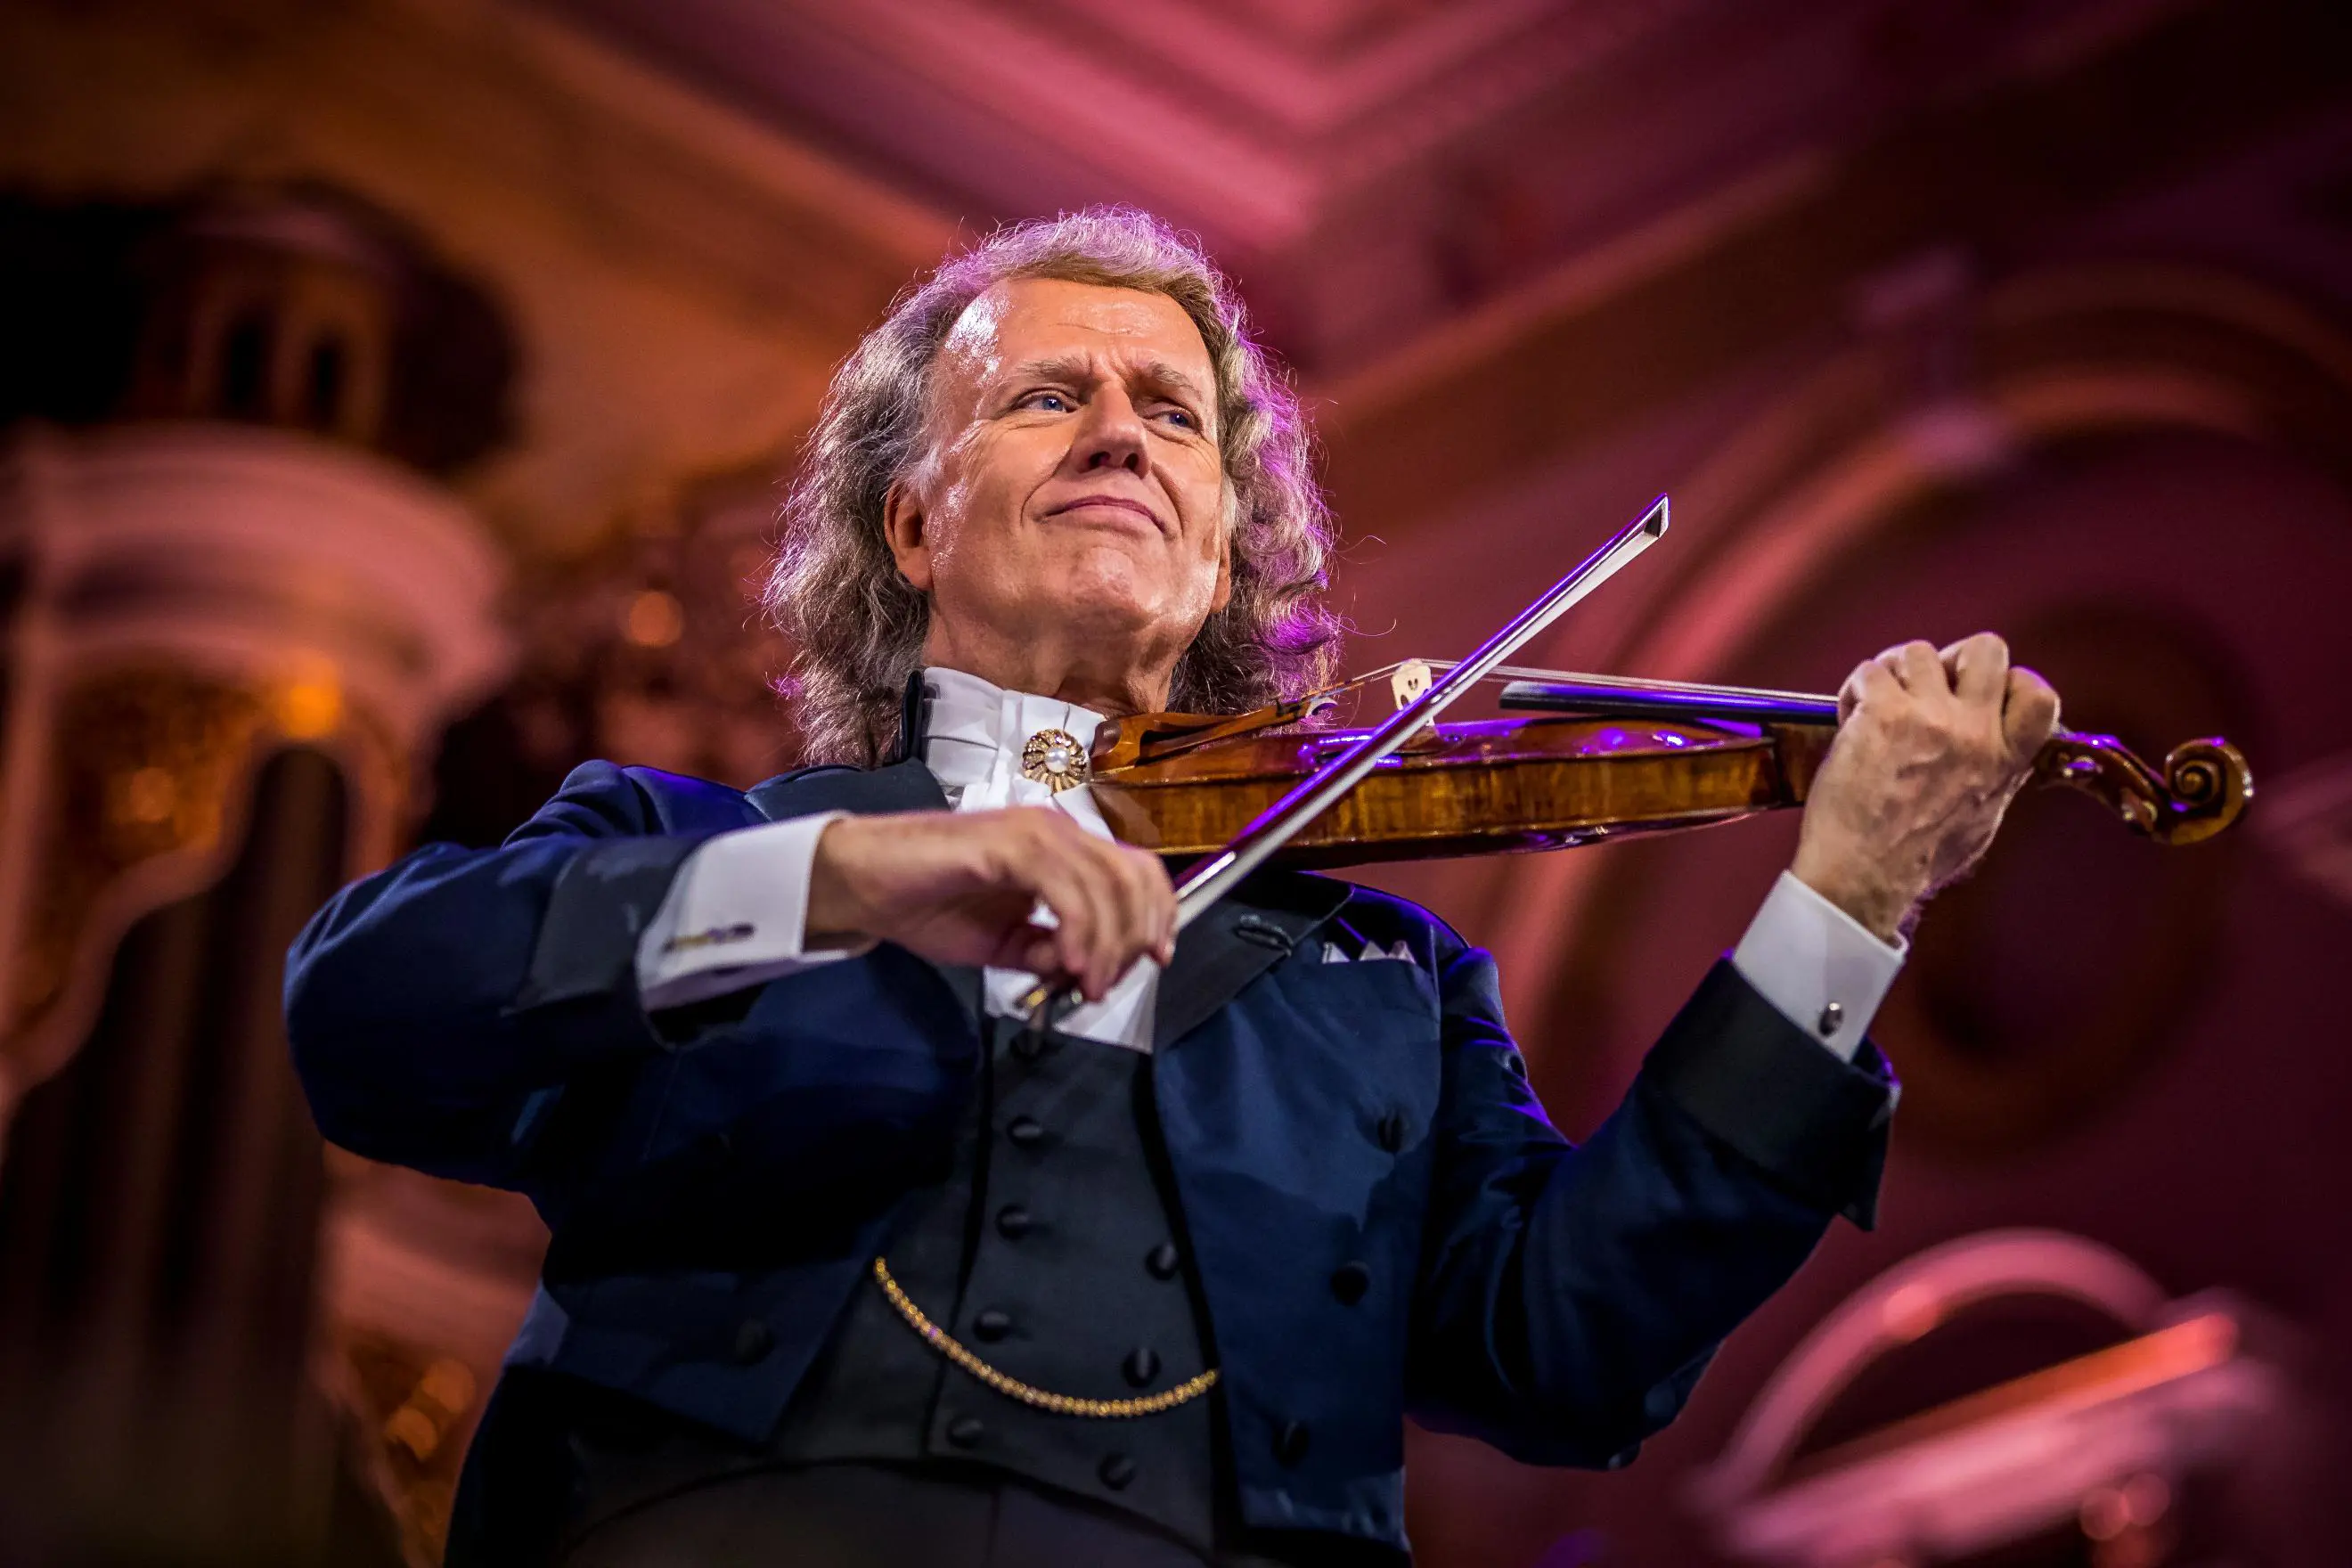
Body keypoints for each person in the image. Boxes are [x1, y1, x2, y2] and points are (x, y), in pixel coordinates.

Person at [286, 208, 2059, 1567]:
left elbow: (1569, 1353)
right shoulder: (699, 850)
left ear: (1219, 557)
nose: (1121, 434)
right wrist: (850, 873)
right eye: (1051, 395)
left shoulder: (1383, 985)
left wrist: (1849, 899)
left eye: (1173, 419)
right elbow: (362, 1018)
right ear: (914, 525)